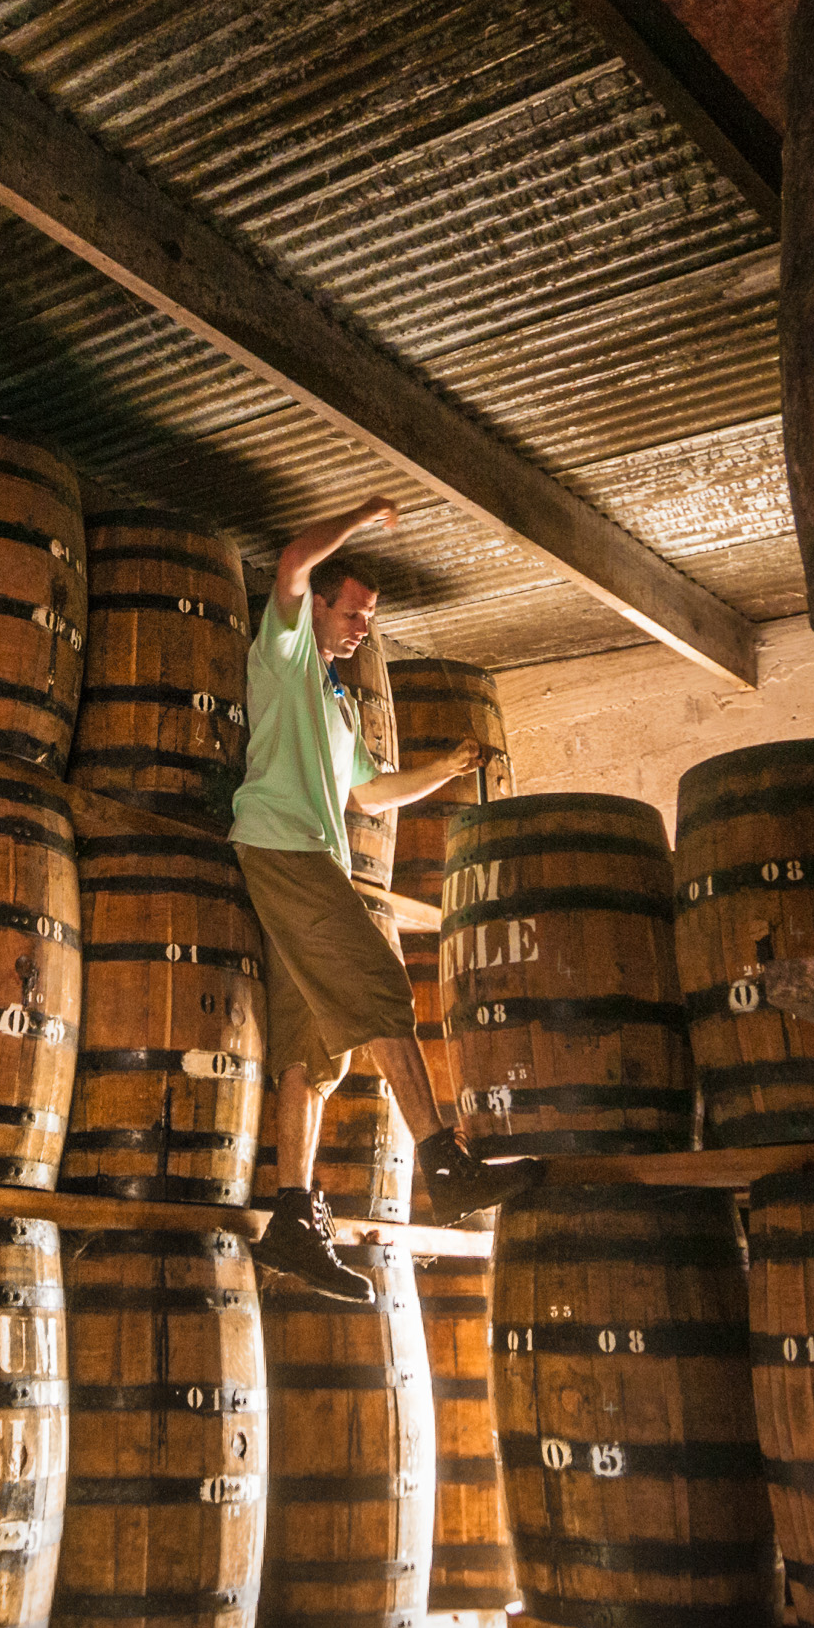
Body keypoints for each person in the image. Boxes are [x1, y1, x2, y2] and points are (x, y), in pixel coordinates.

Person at [233, 493, 540, 1302]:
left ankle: (292, 1219)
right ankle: (444, 1161)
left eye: (370, 617)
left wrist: (444, 767)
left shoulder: (334, 703)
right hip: (280, 845)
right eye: (355, 610)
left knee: (310, 1052)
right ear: (321, 607)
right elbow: (293, 561)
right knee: (380, 988)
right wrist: (366, 511)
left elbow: (368, 796)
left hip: (311, 853)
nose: (362, 626)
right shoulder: (286, 653)